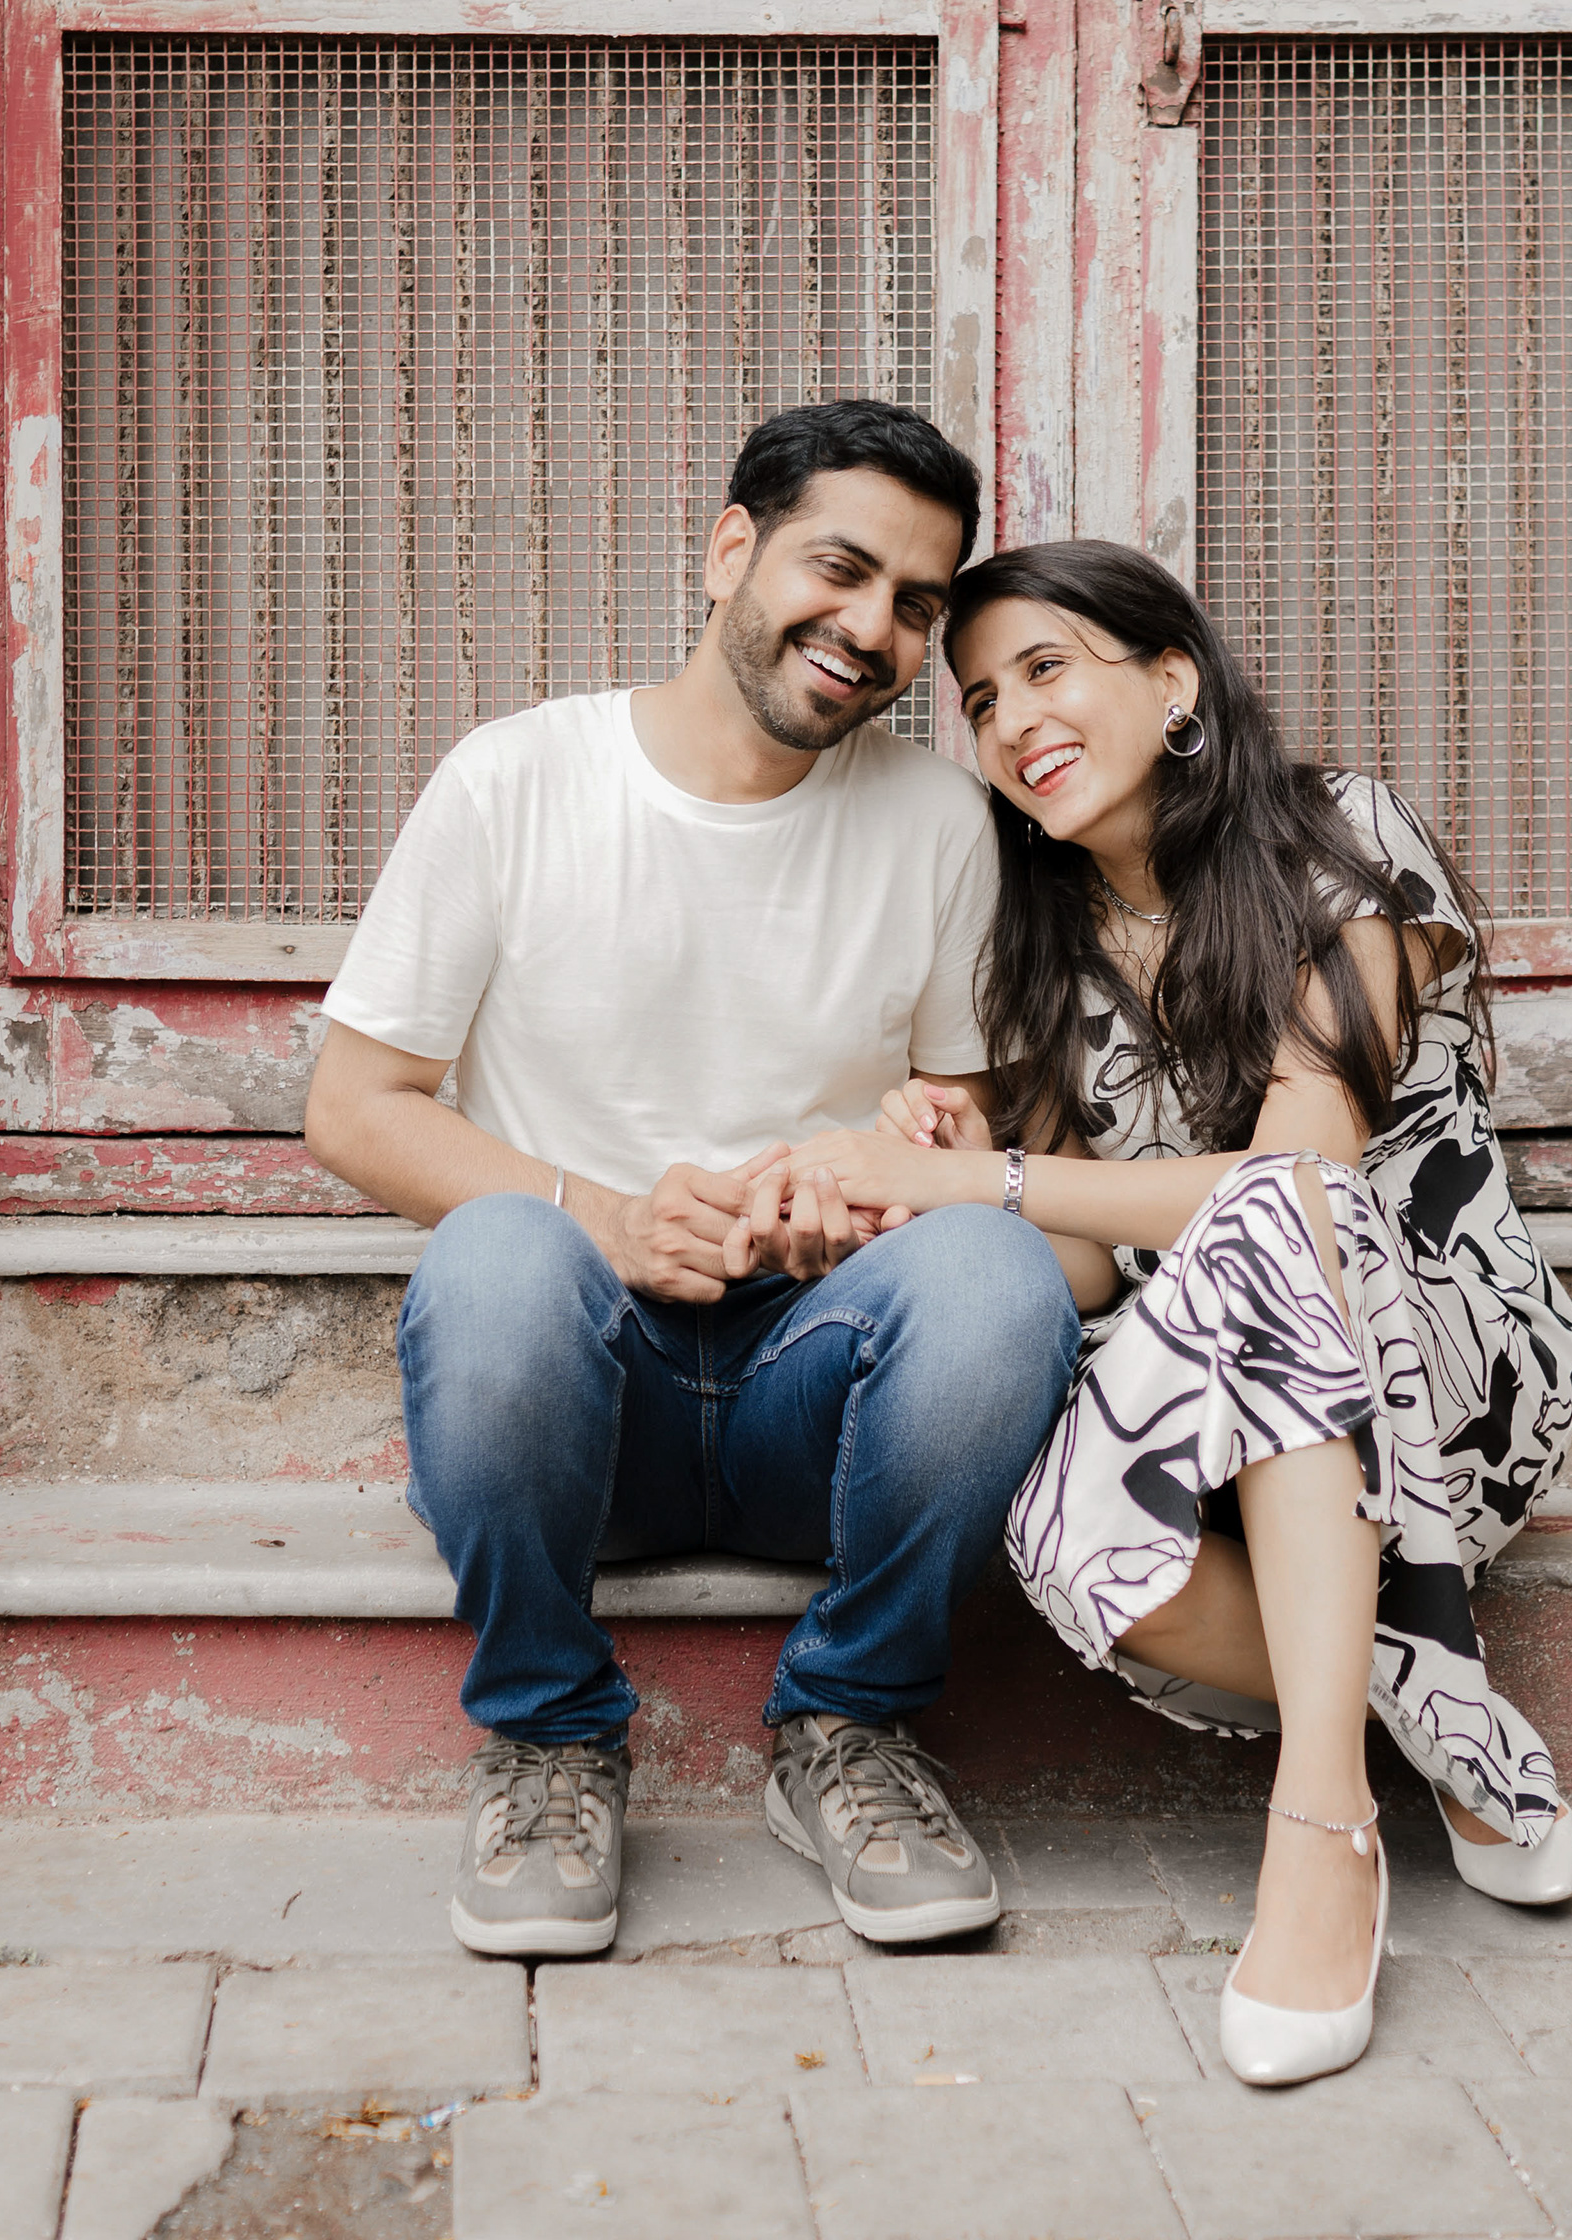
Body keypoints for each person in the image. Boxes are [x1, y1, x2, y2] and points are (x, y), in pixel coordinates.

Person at [744, 538, 1572, 2084]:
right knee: (1051, 1520)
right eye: (981, 701)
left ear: (1174, 681)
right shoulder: (1038, 945)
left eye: (1047, 670)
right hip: (1232, 1430)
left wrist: (983, 1178)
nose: (1013, 723)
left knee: (1274, 1216)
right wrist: (946, 1178)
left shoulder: (1340, 840)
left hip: (1440, 1380)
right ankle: (1435, 1695)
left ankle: (1324, 1830)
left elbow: (1303, 1178)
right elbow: (1081, 1266)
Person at [305, 400, 1083, 1962]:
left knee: (998, 1272)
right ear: (733, 549)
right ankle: (549, 1736)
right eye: (838, 569)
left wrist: (890, 1184)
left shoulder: (942, 823)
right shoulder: (516, 780)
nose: (869, 629)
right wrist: (604, 1220)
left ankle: (849, 1723)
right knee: (498, 1259)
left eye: (914, 605)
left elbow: (978, 1129)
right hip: (587, 1407)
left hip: (825, 1396)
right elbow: (353, 1108)